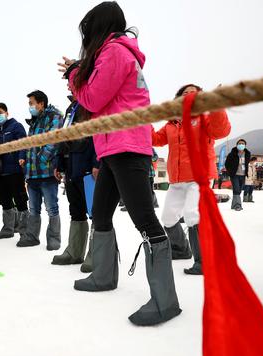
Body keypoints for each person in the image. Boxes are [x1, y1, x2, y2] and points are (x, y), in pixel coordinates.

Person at [59, 1, 181, 326]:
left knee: (144, 217)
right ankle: (102, 275)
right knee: (99, 213)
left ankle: (165, 301)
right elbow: (101, 97)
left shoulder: (115, 51)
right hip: (113, 147)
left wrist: (74, 74)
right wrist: (80, 70)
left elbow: (91, 100)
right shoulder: (113, 53)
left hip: (127, 144)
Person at [152, 83, 231, 275]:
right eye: (184, 93)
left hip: (200, 176)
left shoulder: (205, 117)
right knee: (169, 218)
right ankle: (181, 249)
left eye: (193, 93)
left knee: (192, 215)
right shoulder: (172, 123)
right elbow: (155, 140)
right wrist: (142, 122)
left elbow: (221, 131)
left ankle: (204, 262)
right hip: (177, 179)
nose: (188, 95)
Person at [52, 95, 99, 265]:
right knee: (76, 210)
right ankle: (75, 251)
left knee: (96, 213)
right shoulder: (71, 108)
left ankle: (96, 255)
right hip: (71, 166)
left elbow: (100, 133)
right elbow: (62, 137)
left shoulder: (93, 102)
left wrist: (97, 161)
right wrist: (58, 162)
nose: (68, 84)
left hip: (88, 167)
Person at [16, 90, 63, 249]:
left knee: (52, 207)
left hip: (47, 172)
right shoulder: (34, 122)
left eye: (32, 103)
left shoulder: (54, 117)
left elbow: (54, 140)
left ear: (41, 103)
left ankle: (54, 240)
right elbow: (29, 144)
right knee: (33, 208)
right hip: (32, 174)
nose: (30, 106)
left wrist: (42, 159)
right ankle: (32, 236)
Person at [0, 102, 29, 239]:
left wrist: (22, 157)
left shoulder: (16, 126)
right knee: (3, 199)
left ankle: (25, 231)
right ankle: (8, 229)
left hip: (15, 169)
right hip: (1, 171)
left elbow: (24, 143)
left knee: (20, 199)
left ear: (6, 113)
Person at [224, 139, 251, 211]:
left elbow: (246, 164)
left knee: (239, 190)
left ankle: (233, 205)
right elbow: (226, 164)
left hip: (243, 175)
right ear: (237, 145)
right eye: (240, 143)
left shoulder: (247, 154)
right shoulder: (232, 154)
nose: (241, 145)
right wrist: (230, 172)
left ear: (245, 145)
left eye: (243, 143)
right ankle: (237, 205)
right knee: (236, 189)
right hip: (235, 175)